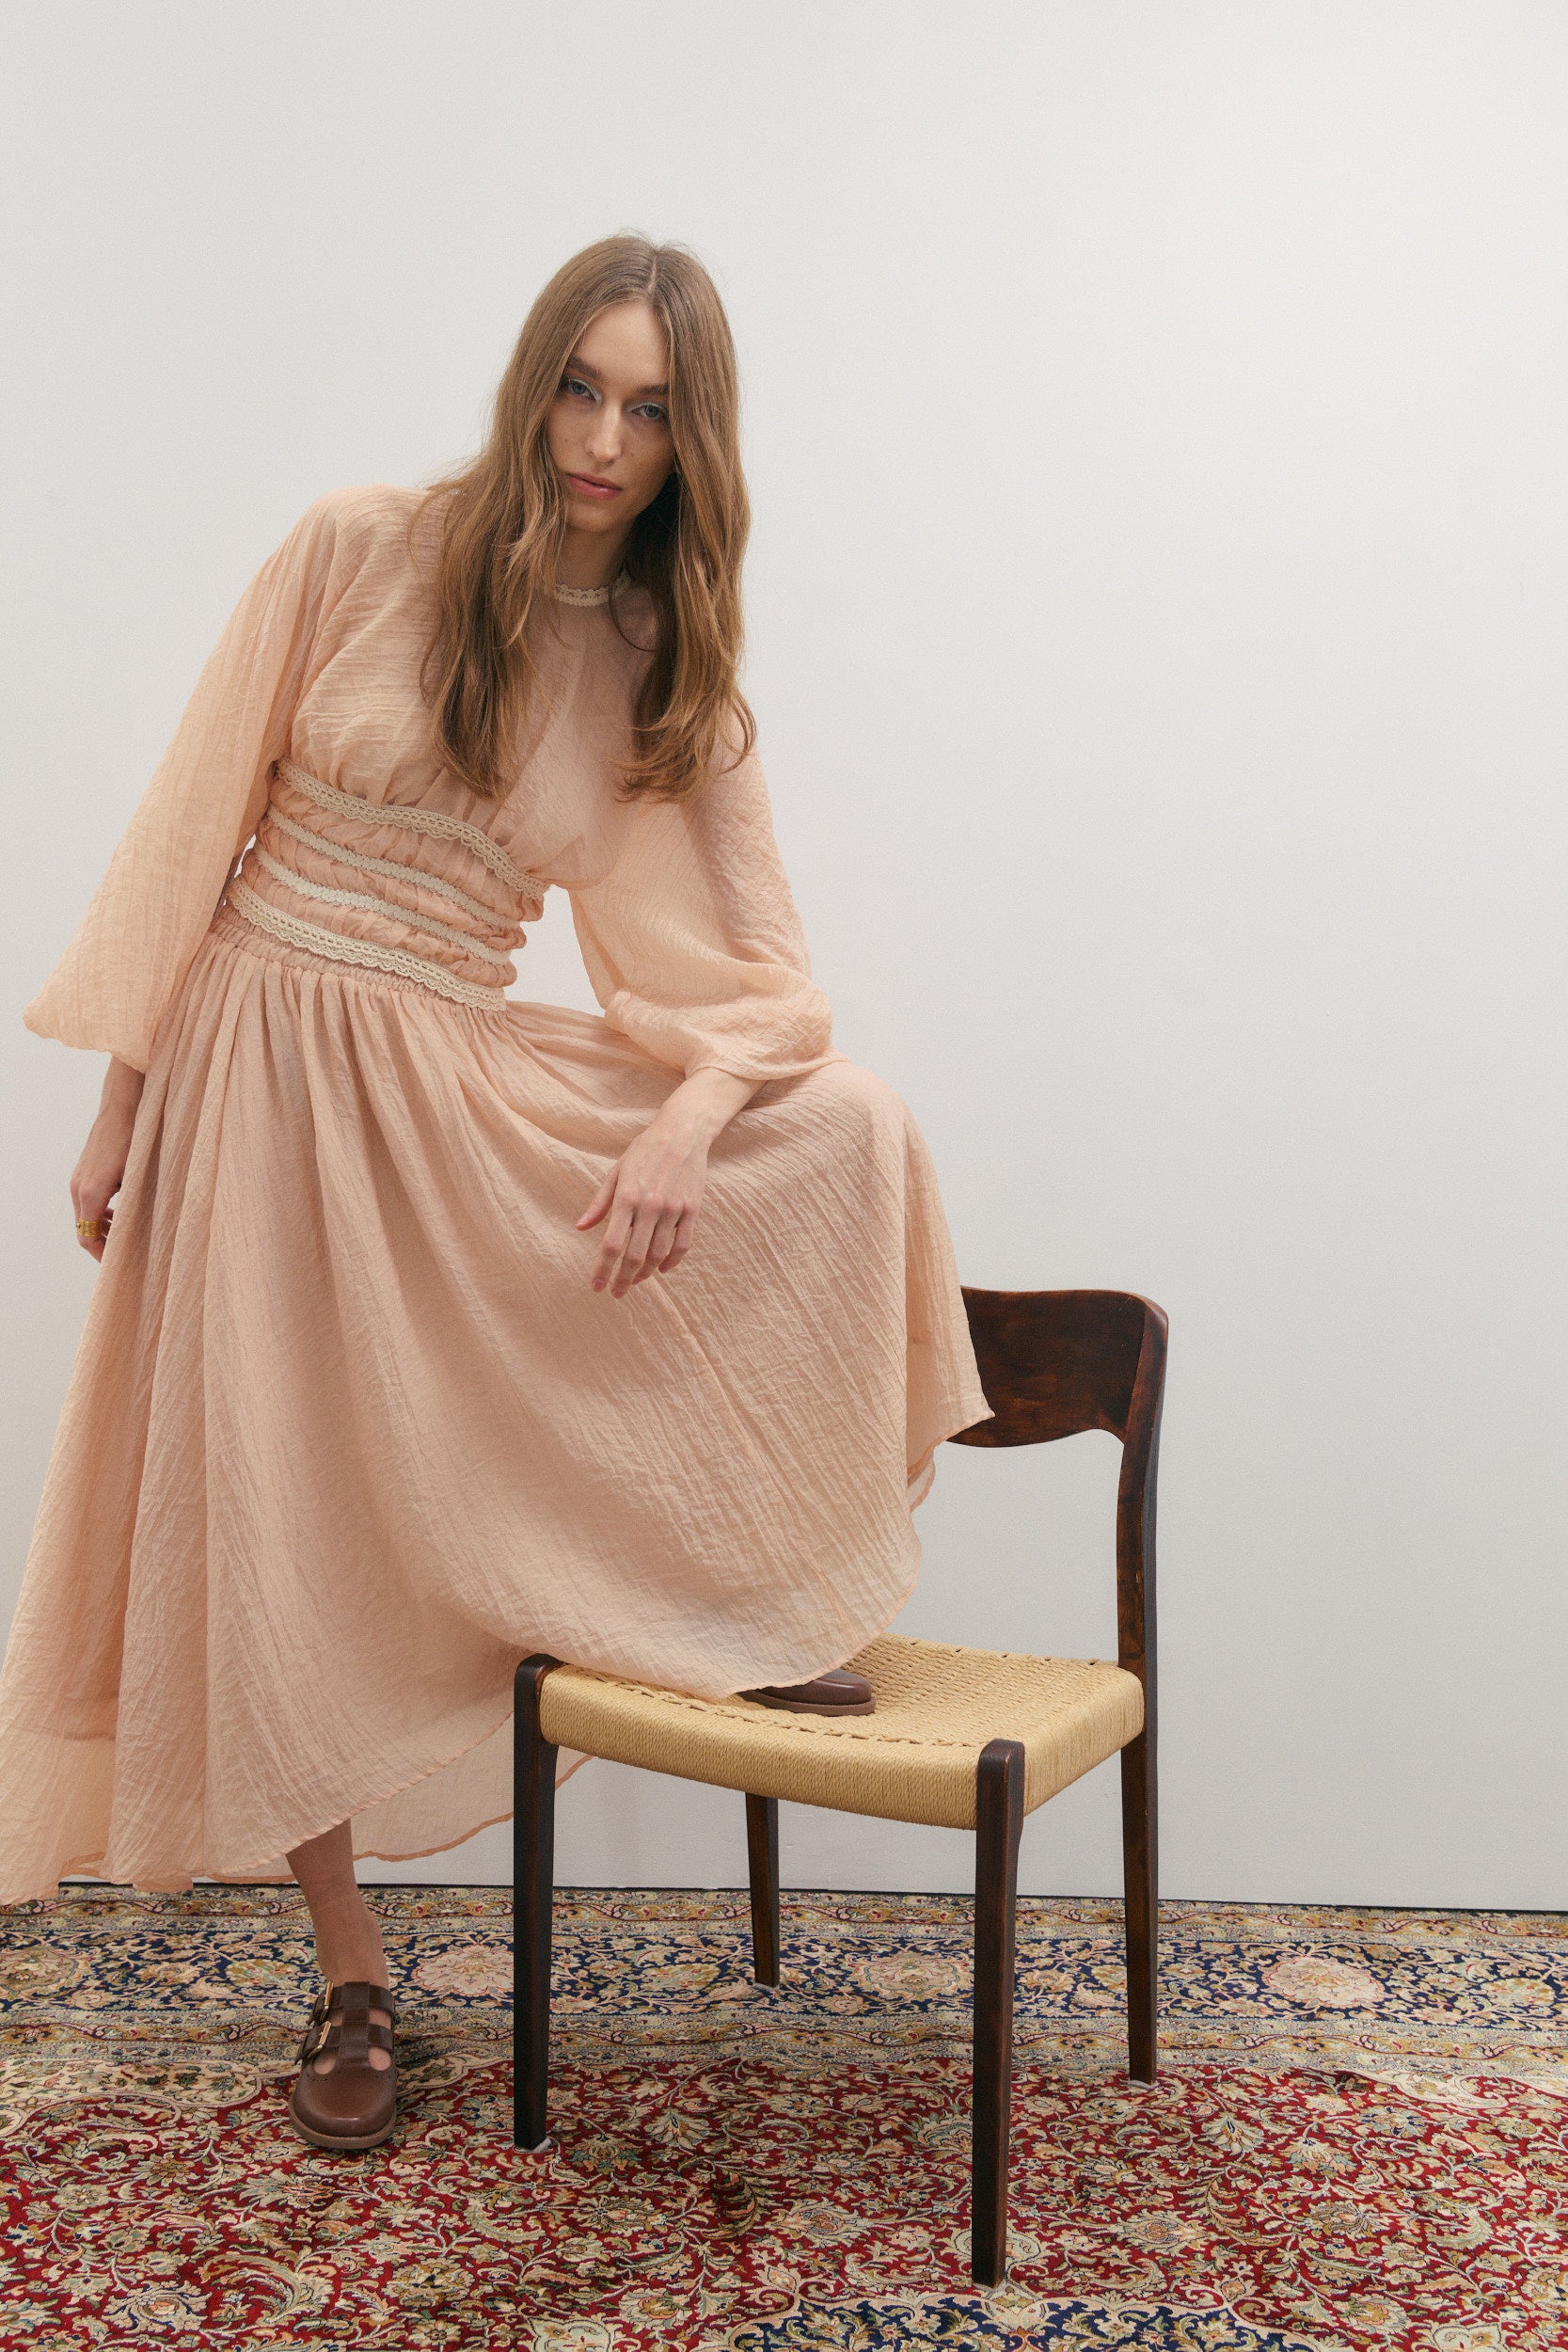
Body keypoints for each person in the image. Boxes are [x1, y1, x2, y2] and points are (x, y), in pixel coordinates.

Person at [1, 234, 991, 2149]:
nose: (604, 439)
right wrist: (124, 1095)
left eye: (650, 410)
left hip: (443, 1092)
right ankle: (351, 1966)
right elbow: (191, 822)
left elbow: (774, 987)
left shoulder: (654, 664)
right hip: (252, 1083)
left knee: (849, 1123)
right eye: (581, 386)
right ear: (532, 377)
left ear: (695, 447)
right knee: (268, 1512)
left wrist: (693, 1118)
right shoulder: (353, 545)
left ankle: (748, 1585)